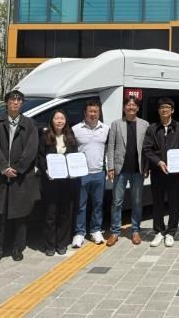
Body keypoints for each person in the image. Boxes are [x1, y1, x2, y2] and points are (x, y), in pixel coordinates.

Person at [0, 90, 39, 265]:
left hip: (21, 177)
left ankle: (17, 249)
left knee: (20, 215)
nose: (16, 102)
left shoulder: (30, 124)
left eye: (19, 100)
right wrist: (3, 168)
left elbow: (31, 149)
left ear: (22, 103)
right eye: (13, 100)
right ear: (6, 103)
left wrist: (18, 168)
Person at [143, 97, 179, 247]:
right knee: (157, 202)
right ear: (158, 110)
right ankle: (159, 231)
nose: (165, 109)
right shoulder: (152, 128)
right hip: (157, 171)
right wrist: (158, 161)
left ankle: (171, 232)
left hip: (174, 172)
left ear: (172, 110)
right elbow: (147, 149)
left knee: (174, 202)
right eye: (162, 107)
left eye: (168, 107)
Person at [105, 96, 149, 247]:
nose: (131, 107)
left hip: (138, 169)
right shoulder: (116, 124)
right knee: (117, 202)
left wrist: (146, 167)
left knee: (137, 201)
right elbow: (111, 147)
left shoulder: (144, 124)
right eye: (128, 105)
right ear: (124, 108)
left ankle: (135, 230)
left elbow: (146, 149)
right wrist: (110, 167)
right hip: (120, 169)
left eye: (133, 105)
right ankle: (115, 232)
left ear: (137, 108)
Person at [38, 110, 78, 256]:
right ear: (52, 121)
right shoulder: (45, 137)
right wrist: (46, 170)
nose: (59, 121)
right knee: (50, 214)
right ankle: (49, 245)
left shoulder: (70, 137)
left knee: (65, 213)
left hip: (67, 182)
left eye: (62, 118)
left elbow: (75, 156)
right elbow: (40, 157)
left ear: (66, 121)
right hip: (50, 182)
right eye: (57, 118)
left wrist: (75, 170)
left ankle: (62, 243)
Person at [72, 99, 110, 247]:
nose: (93, 114)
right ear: (85, 113)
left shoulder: (105, 129)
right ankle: (79, 233)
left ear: (99, 113)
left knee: (98, 204)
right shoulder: (76, 129)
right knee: (80, 205)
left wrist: (109, 168)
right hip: (82, 173)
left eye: (96, 111)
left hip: (99, 172)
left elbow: (109, 150)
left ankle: (96, 230)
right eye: (90, 111)